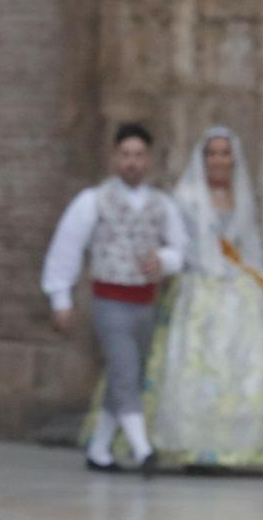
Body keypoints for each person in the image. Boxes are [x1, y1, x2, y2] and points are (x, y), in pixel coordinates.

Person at [147, 127, 263, 469]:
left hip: (238, 287)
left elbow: (248, 246)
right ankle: (195, 445)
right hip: (200, 287)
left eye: (225, 153)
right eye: (212, 153)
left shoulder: (241, 196)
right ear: (203, 159)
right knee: (198, 364)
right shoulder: (187, 198)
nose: (219, 160)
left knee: (247, 362)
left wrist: (262, 283)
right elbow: (181, 245)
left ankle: (240, 446)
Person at [42, 123, 187, 473]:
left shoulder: (162, 205)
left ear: (149, 160)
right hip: (109, 300)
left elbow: (182, 248)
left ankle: (100, 448)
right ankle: (142, 450)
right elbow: (67, 247)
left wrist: (165, 261)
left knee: (129, 375)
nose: (132, 163)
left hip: (145, 300)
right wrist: (60, 298)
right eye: (125, 155)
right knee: (124, 370)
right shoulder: (92, 201)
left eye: (138, 156)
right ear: (114, 158)